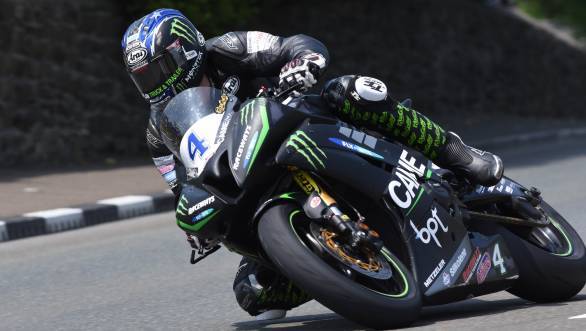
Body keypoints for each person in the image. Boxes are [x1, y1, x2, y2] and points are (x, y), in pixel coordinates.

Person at [122, 8, 503, 321]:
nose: (152, 84)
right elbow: (180, 182)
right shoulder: (159, 129)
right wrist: (196, 227)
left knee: (353, 91)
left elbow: (292, 45)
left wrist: (302, 63)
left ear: (185, 51)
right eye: (142, 78)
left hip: (298, 122)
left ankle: (459, 155)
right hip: (250, 175)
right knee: (253, 292)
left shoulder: (230, 48)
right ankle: (338, 267)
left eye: (157, 69)